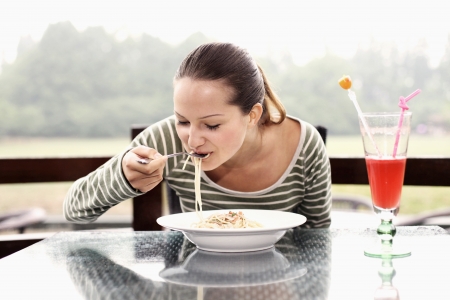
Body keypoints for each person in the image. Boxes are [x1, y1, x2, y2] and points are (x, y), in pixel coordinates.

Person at [63, 42, 332, 228]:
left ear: (251, 115)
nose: (192, 140)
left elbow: (319, 235)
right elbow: (74, 211)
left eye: (212, 125)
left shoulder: (304, 144)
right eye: (182, 120)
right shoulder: (165, 139)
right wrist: (122, 177)